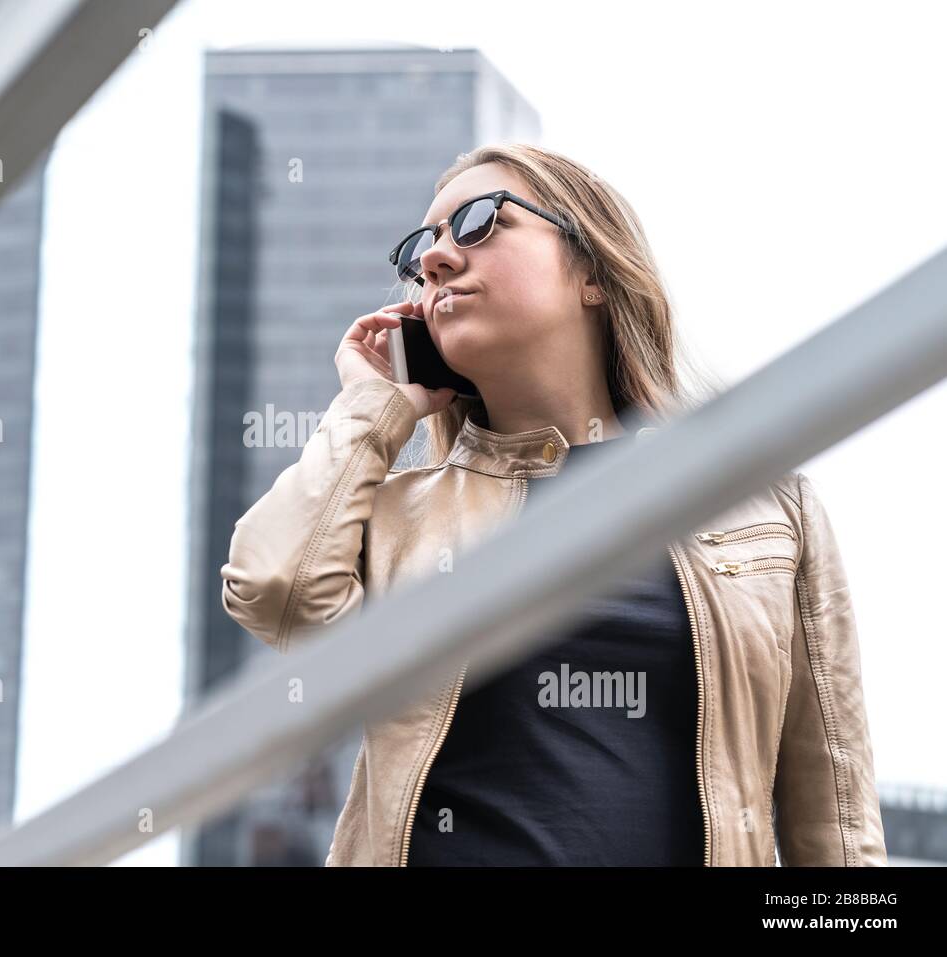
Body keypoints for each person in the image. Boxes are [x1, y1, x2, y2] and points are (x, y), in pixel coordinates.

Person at [220, 143, 886, 866]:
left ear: (593, 272)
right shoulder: (396, 517)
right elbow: (276, 590)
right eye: (420, 249)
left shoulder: (762, 505)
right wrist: (374, 406)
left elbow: (838, 819)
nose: (434, 259)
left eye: (478, 221)